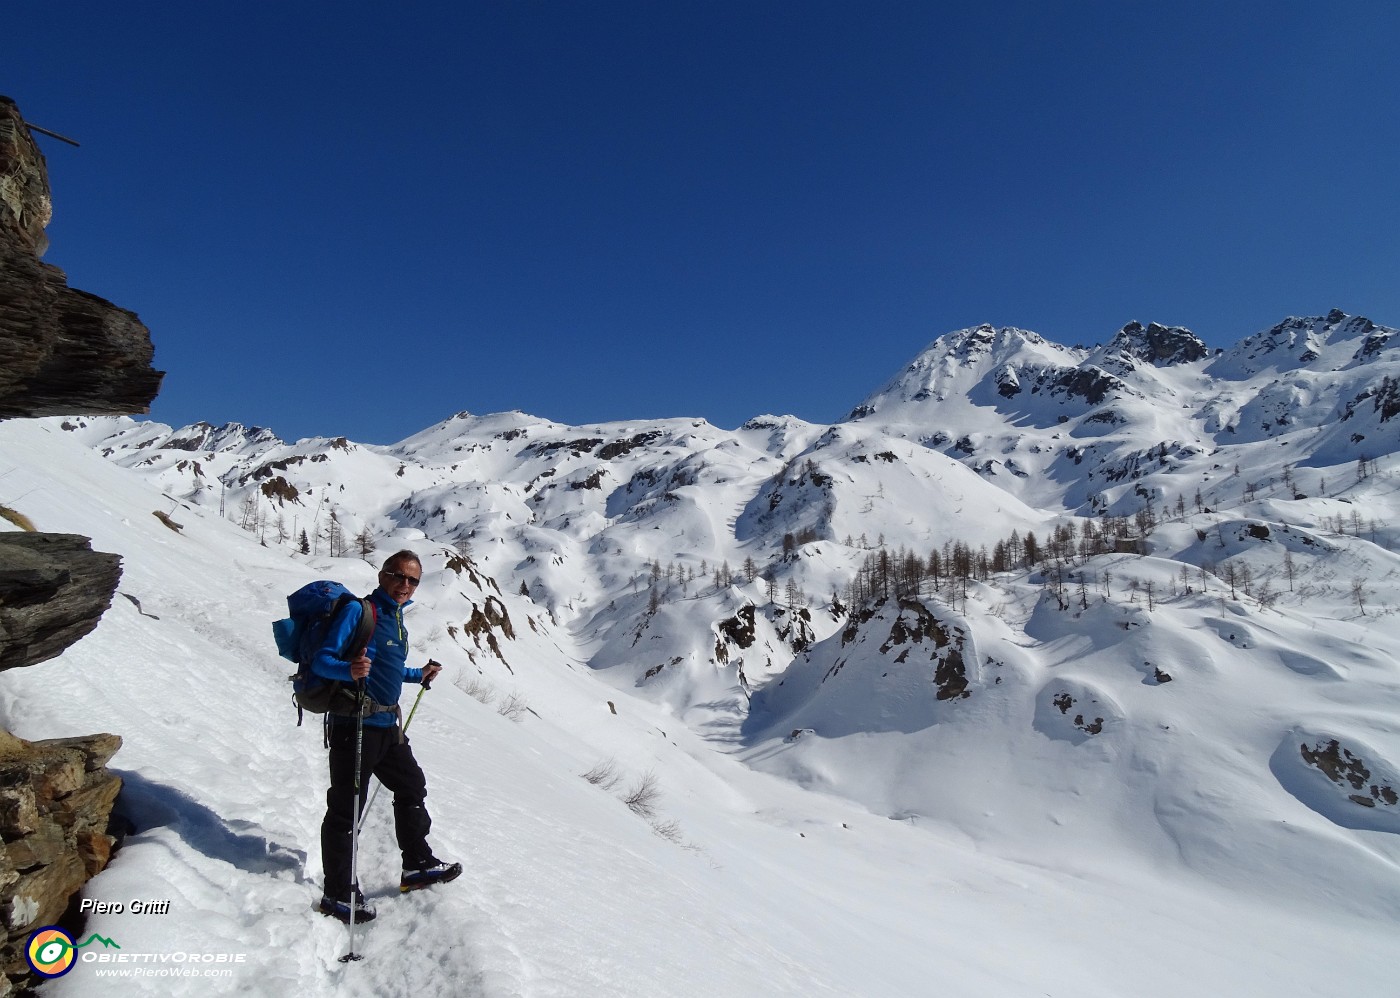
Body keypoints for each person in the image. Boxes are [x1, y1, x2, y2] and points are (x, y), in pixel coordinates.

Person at [313, 549, 460, 923]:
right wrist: (349, 671)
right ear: (382, 576)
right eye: (399, 576)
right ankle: (338, 893)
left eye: (413, 580)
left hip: (386, 728)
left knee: (412, 787)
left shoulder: (396, 619)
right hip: (354, 727)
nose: (405, 586)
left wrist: (418, 674)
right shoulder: (361, 611)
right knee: (346, 812)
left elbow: (385, 668)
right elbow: (322, 660)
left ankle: (416, 864)